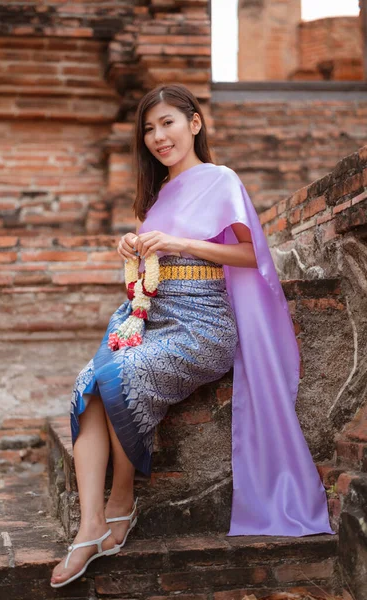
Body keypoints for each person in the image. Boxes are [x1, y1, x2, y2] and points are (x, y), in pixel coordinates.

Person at [50, 84, 334, 588]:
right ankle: (90, 528)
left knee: (124, 373)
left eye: (168, 123)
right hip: (151, 314)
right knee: (86, 383)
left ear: (194, 124)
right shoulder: (156, 196)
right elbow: (156, 263)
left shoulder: (221, 180)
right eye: (149, 129)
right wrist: (134, 246)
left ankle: (121, 503)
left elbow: (253, 256)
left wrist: (183, 243)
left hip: (204, 323)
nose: (159, 137)